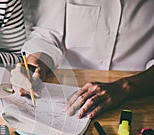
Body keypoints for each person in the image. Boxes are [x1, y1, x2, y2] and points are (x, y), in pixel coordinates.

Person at [12, 0, 154, 118]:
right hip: (68, 96)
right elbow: (46, 36)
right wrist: (35, 66)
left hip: (140, 96)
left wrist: (124, 87)